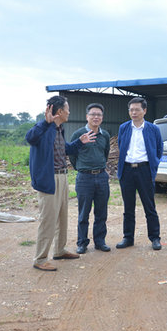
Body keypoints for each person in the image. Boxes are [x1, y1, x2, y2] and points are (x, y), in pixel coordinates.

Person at [25, 95, 95, 272]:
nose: (69, 112)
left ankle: (59, 250)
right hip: (49, 179)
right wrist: (45, 123)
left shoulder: (59, 129)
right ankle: (40, 259)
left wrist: (79, 142)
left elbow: (65, 150)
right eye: (67, 109)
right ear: (60, 111)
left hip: (62, 177)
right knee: (48, 220)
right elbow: (30, 138)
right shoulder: (43, 128)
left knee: (62, 217)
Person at [115, 97, 164, 251]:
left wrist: (153, 165)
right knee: (128, 207)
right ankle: (128, 237)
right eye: (131, 110)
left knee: (149, 206)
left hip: (144, 170)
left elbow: (159, 149)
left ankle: (155, 238)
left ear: (144, 111)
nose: (134, 112)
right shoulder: (124, 128)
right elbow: (121, 146)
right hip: (127, 170)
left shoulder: (153, 129)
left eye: (137, 109)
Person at [69, 103, 112, 254]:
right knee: (83, 213)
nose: (96, 117)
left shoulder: (105, 135)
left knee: (101, 212)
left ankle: (100, 242)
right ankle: (82, 243)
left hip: (101, 176)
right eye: (93, 114)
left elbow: (105, 153)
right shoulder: (79, 134)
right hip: (84, 178)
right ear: (87, 116)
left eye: (99, 114)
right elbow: (72, 155)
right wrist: (81, 168)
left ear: (102, 118)